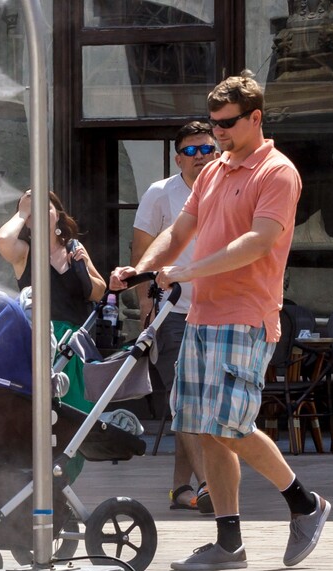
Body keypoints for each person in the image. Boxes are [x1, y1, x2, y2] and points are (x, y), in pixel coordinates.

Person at [110, 71, 331, 571]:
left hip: (246, 315)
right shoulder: (212, 172)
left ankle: (305, 504)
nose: (218, 135)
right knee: (203, 429)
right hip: (202, 314)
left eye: (227, 124)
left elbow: (256, 242)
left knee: (230, 426)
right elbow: (180, 229)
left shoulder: (277, 172)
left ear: (255, 117)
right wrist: (143, 267)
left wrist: (186, 270)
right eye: (213, 125)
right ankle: (228, 543)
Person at [131, 122, 218, 515]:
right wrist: (145, 311)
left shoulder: (226, 186)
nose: (201, 156)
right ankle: (210, 487)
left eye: (207, 149)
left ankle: (182, 488)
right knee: (186, 403)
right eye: (192, 150)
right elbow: (142, 255)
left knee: (199, 405)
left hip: (219, 311)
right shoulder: (160, 193)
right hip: (173, 311)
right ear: (178, 156)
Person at [0, 189, 106, 414]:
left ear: (57, 214)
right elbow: (3, 240)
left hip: (74, 345)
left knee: (77, 413)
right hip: (39, 342)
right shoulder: (24, 252)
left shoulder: (73, 247)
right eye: (31, 211)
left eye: (44, 207)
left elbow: (99, 292)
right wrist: (22, 212)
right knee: (42, 413)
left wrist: (83, 265)